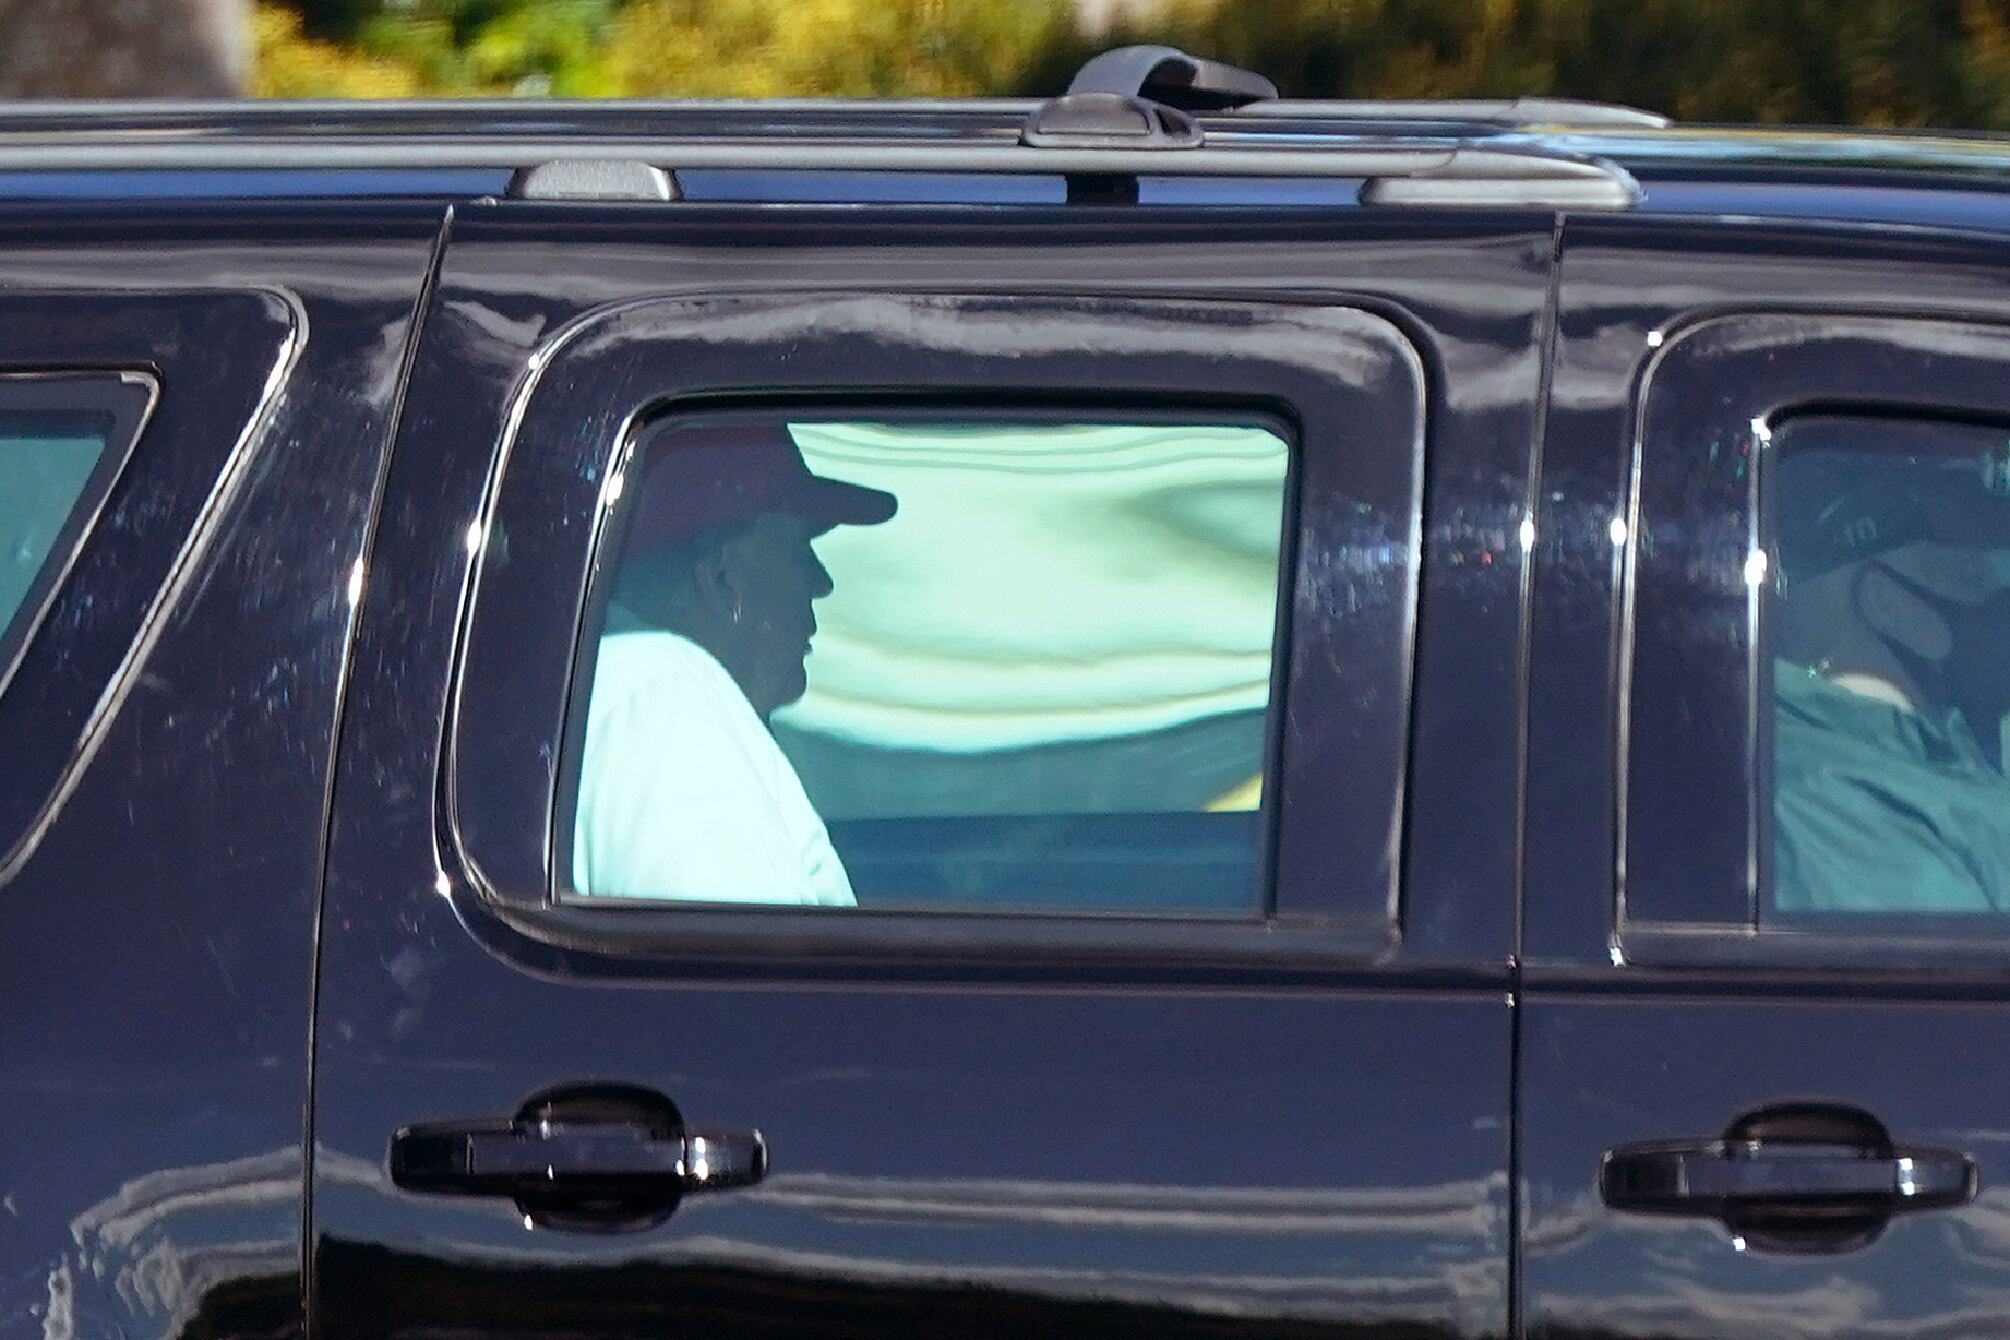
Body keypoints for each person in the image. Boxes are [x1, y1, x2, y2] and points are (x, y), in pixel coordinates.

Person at [570, 420, 895, 905]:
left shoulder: (613, 687)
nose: (822, 582)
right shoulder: (664, 696)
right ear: (723, 581)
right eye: (799, 549)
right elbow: (744, 976)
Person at [1769, 432, 2010, 912]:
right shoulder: (1833, 807)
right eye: (1979, 577)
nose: (1999, 600)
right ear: (1887, 603)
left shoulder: (1925, 748)